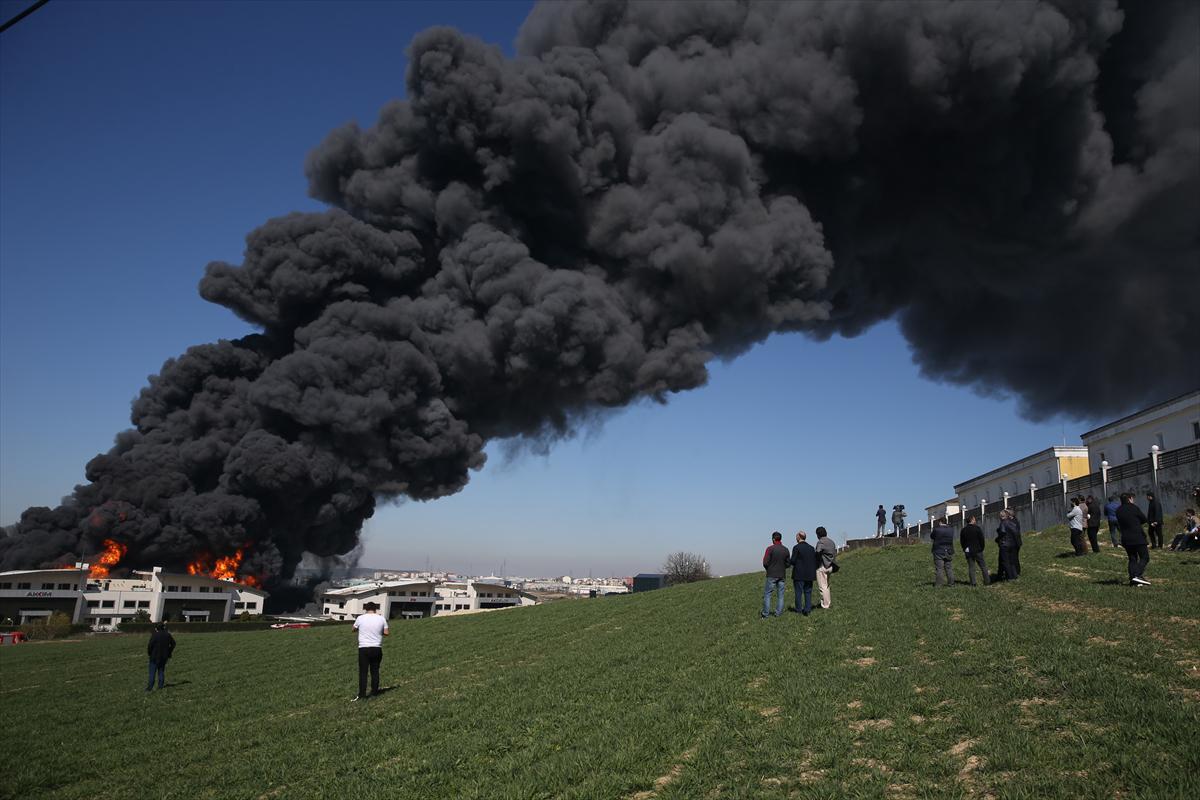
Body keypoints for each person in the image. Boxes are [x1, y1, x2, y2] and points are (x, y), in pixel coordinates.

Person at [352, 601, 389, 700]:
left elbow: (353, 629)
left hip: (363, 648)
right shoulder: (381, 618)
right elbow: (386, 633)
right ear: (375, 609)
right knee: (375, 671)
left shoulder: (360, 618)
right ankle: (374, 692)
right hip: (377, 647)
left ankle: (362, 694)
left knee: (363, 672)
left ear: (366, 609)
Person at [1116, 492, 1151, 586]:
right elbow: (1144, 519)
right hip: (1137, 537)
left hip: (1126, 538)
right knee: (1145, 557)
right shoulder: (1133, 507)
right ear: (1130, 499)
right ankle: (1136, 575)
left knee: (1132, 558)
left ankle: (1133, 580)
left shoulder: (1118, 510)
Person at [761, 531, 789, 618]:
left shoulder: (769, 549)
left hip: (771, 574)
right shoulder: (785, 549)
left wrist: (768, 569)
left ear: (773, 539)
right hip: (782, 574)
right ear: (780, 539)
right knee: (780, 595)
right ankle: (778, 613)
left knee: (768, 594)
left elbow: (765, 562)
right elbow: (788, 563)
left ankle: (766, 614)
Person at [790, 530, 818, 616]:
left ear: (799, 537)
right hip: (810, 574)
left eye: (796, 536)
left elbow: (793, 561)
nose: (796, 538)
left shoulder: (796, 547)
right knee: (808, 592)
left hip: (799, 574)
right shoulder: (811, 548)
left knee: (798, 592)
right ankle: (807, 609)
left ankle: (798, 609)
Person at [146, 622, 176, 692]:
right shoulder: (167, 635)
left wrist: (149, 653)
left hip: (154, 656)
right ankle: (160, 686)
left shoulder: (155, 635)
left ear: (156, 628)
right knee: (161, 671)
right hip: (164, 656)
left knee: (152, 672)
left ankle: (150, 687)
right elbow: (173, 644)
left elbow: (150, 645)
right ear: (163, 627)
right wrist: (169, 651)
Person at [959, 514, 989, 586]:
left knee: (971, 567)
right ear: (972, 520)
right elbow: (981, 539)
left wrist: (964, 548)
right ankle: (987, 581)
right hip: (978, 550)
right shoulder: (977, 528)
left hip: (968, 551)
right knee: (983, 566)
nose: (975, 520)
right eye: (974, 519)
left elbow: (962, 541)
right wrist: (982, 548)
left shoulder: (963, 530)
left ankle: (973, 583)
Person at [814, 526, 837, 608]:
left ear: (818, 535)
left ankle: (825, 605)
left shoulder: (821, 542)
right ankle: (828, 602)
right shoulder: (831, 541)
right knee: (827, 586)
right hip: (831, 565)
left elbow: (817, 552)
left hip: (823, 566)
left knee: (822, 587)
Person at [996, 510, 1021, 581]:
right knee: (1012, 560)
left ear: (1001, 516)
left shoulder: (1003, 523)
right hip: (1012, 544)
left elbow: (1003, 532)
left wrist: (998, 538)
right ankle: (1015, 575)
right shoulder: (1011, 522)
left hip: (1005, 544)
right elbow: (1016, 532)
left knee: (1005, 561)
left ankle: (1010, 577)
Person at [930, 517, 955, 587]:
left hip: (938, 550)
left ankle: (939, 584)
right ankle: (951, 583)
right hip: (949, 550)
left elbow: (932, 536)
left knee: (939, 568)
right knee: (949, 568)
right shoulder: (951, 529)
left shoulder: (936, 529)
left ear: (940, 522)